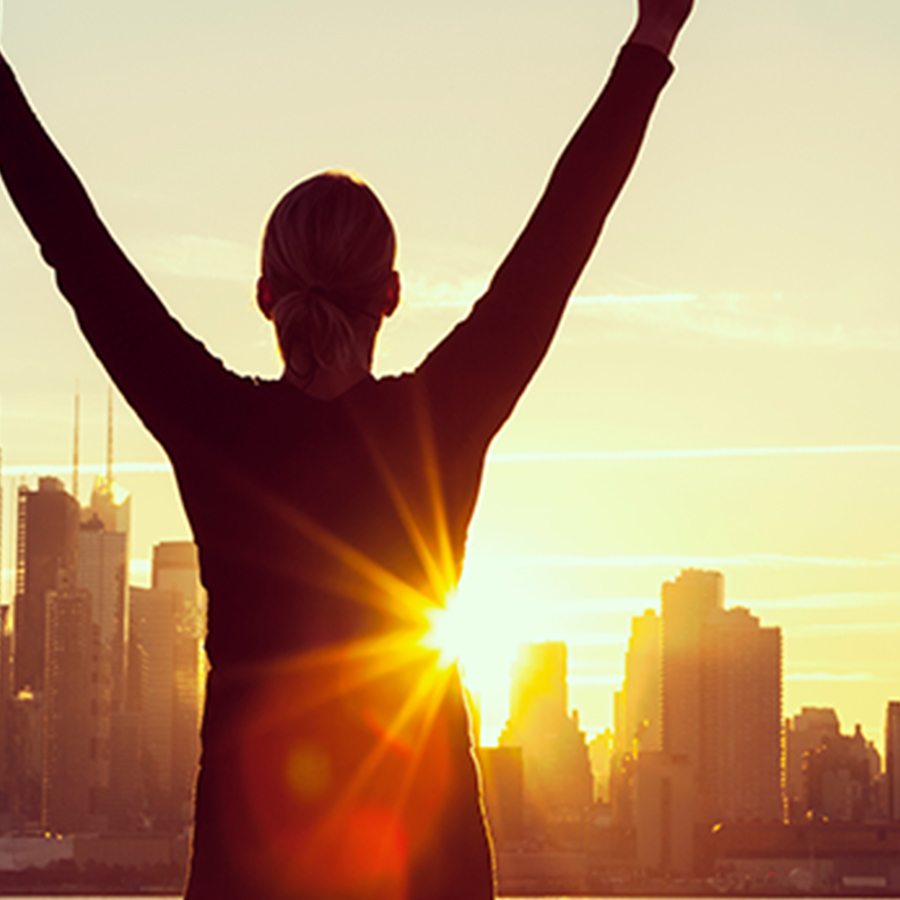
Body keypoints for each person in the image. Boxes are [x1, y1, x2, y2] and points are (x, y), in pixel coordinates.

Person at [0, 1, 693, 897]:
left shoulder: (218, 429)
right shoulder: (440, 424)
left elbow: (75, 243)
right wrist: (652, 40)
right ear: (394, 294)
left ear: (263, 296)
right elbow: (562, 237)